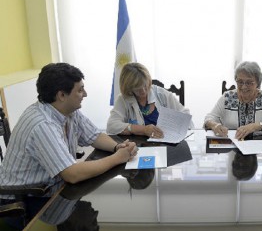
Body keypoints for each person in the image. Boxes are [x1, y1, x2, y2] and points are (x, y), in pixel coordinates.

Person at [0, 63, 137, 229]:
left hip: (50, 188)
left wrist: (118, 147)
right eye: (80, 90)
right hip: (24, 199)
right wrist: (117, 159)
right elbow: (72, 174)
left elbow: (94, 135)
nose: (85, 94)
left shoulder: (66, 110)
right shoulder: (42, 125)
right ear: (61, 95)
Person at [107, 62, 192, 138]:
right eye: (138, 89)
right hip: (136, 147)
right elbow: (111, 126)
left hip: (166, 143)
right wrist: (143, 130)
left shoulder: (161, 94)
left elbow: (186, 116)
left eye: (145, 85)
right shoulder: (123, 99)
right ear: (129, 88)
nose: (143, 91)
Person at [204, 61, 262, 140]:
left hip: (259, 146)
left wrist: (256, 126)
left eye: (249, 83)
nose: (244, 87)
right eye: (240, 82)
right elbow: (209, 118)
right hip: (231, 146)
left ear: (257, 83)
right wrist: (215, 125)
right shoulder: (227, 97)